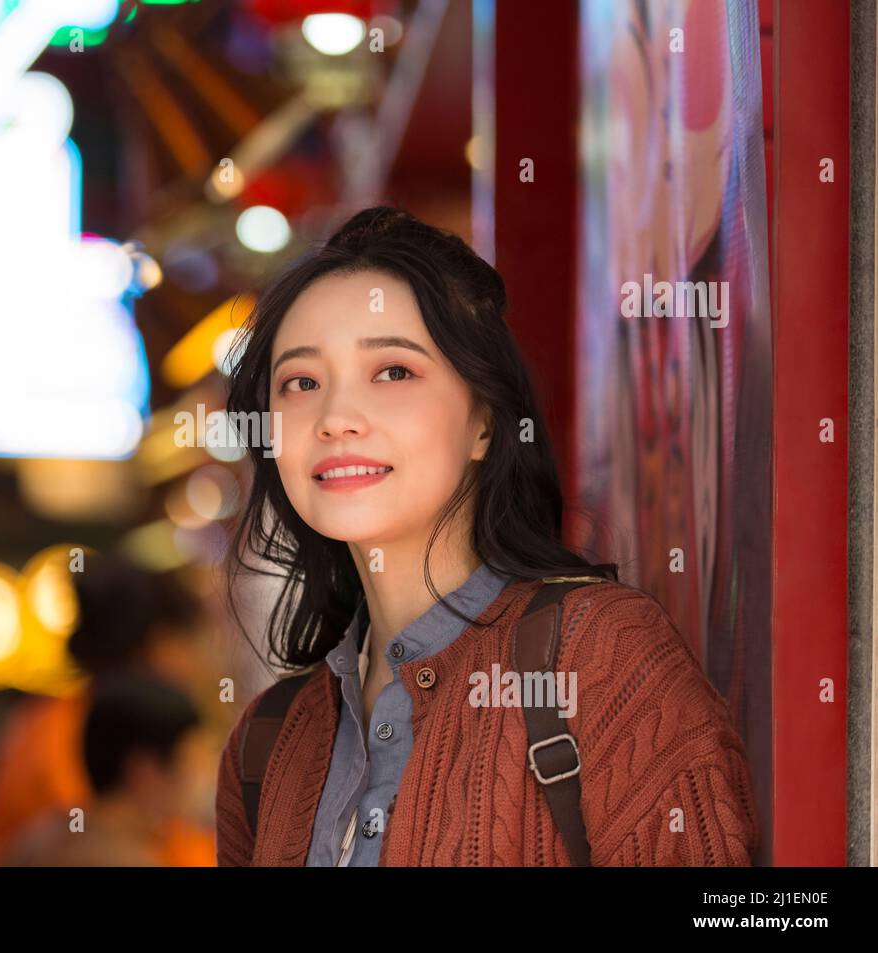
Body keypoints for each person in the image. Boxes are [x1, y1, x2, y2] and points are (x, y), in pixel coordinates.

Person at [214, 206, 759, 866]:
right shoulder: (266, 744)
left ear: (485, 423)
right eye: (300, 383)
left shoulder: (601, 659)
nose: (335, 418)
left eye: (392, 371)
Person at [0, 552, 214, 866]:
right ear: (153, 647)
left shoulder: (56, 719)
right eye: (185, 643)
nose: (194, 664)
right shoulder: (74, 734)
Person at [1, 673, 204, 866]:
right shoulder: (128, 860)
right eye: (191, 763)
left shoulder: (38, 838)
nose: (201, 778)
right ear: (145, 771)